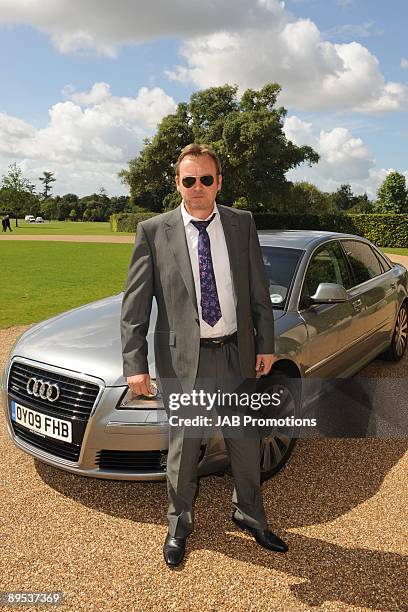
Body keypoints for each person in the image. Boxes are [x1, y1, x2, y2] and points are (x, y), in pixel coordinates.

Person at [121, 143, 288, 567]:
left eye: (206, 179)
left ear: (218, 181)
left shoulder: (241, 223)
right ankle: (179, 524)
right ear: (177, 183)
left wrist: (265, 344)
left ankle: (249, 514)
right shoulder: (153, 231)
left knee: (246, 444)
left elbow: (256, 292)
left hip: (237, 354)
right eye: (188, 180)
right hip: (184, 363)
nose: (197, 188)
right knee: (183, 449)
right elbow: (135, 306)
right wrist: (134, 364)